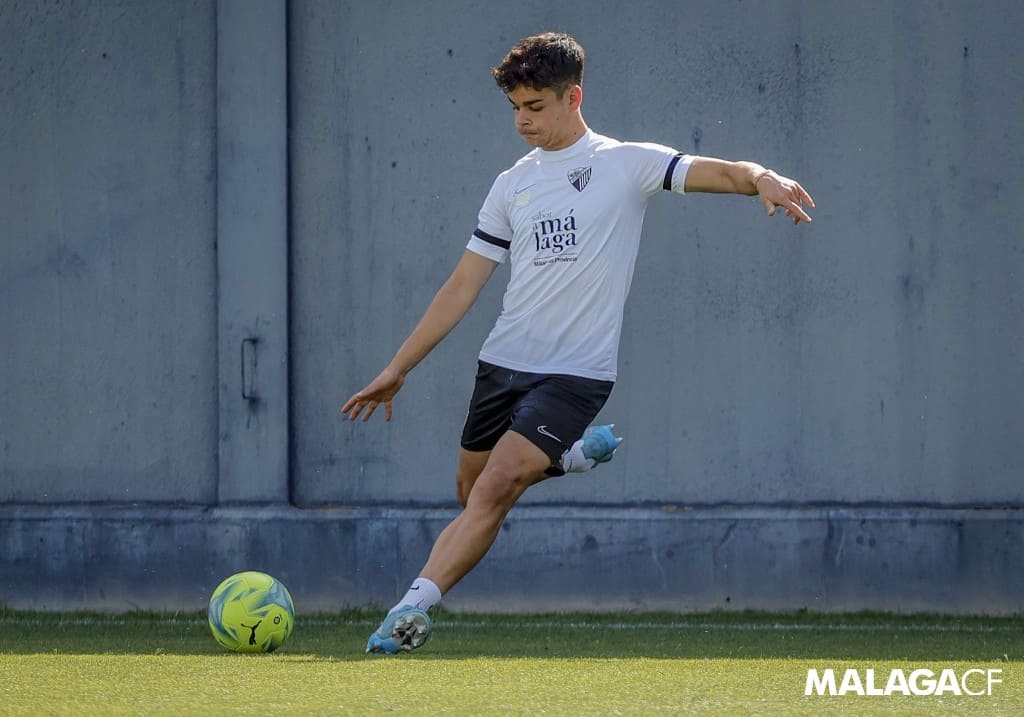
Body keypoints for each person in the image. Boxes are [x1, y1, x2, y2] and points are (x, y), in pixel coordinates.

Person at [342, 31, 814, 654]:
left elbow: (721, 171)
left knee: (496, 489)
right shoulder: (512, 185)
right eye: (515, 108)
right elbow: (461, 286)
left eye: (534, 107)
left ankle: (409, 613)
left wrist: (763, 178)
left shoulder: (626, 164)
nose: (521, 121)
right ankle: (568, 459)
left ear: (574, 97)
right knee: (471, 490)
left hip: (577, 374)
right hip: (503, 363)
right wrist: (398, 368)